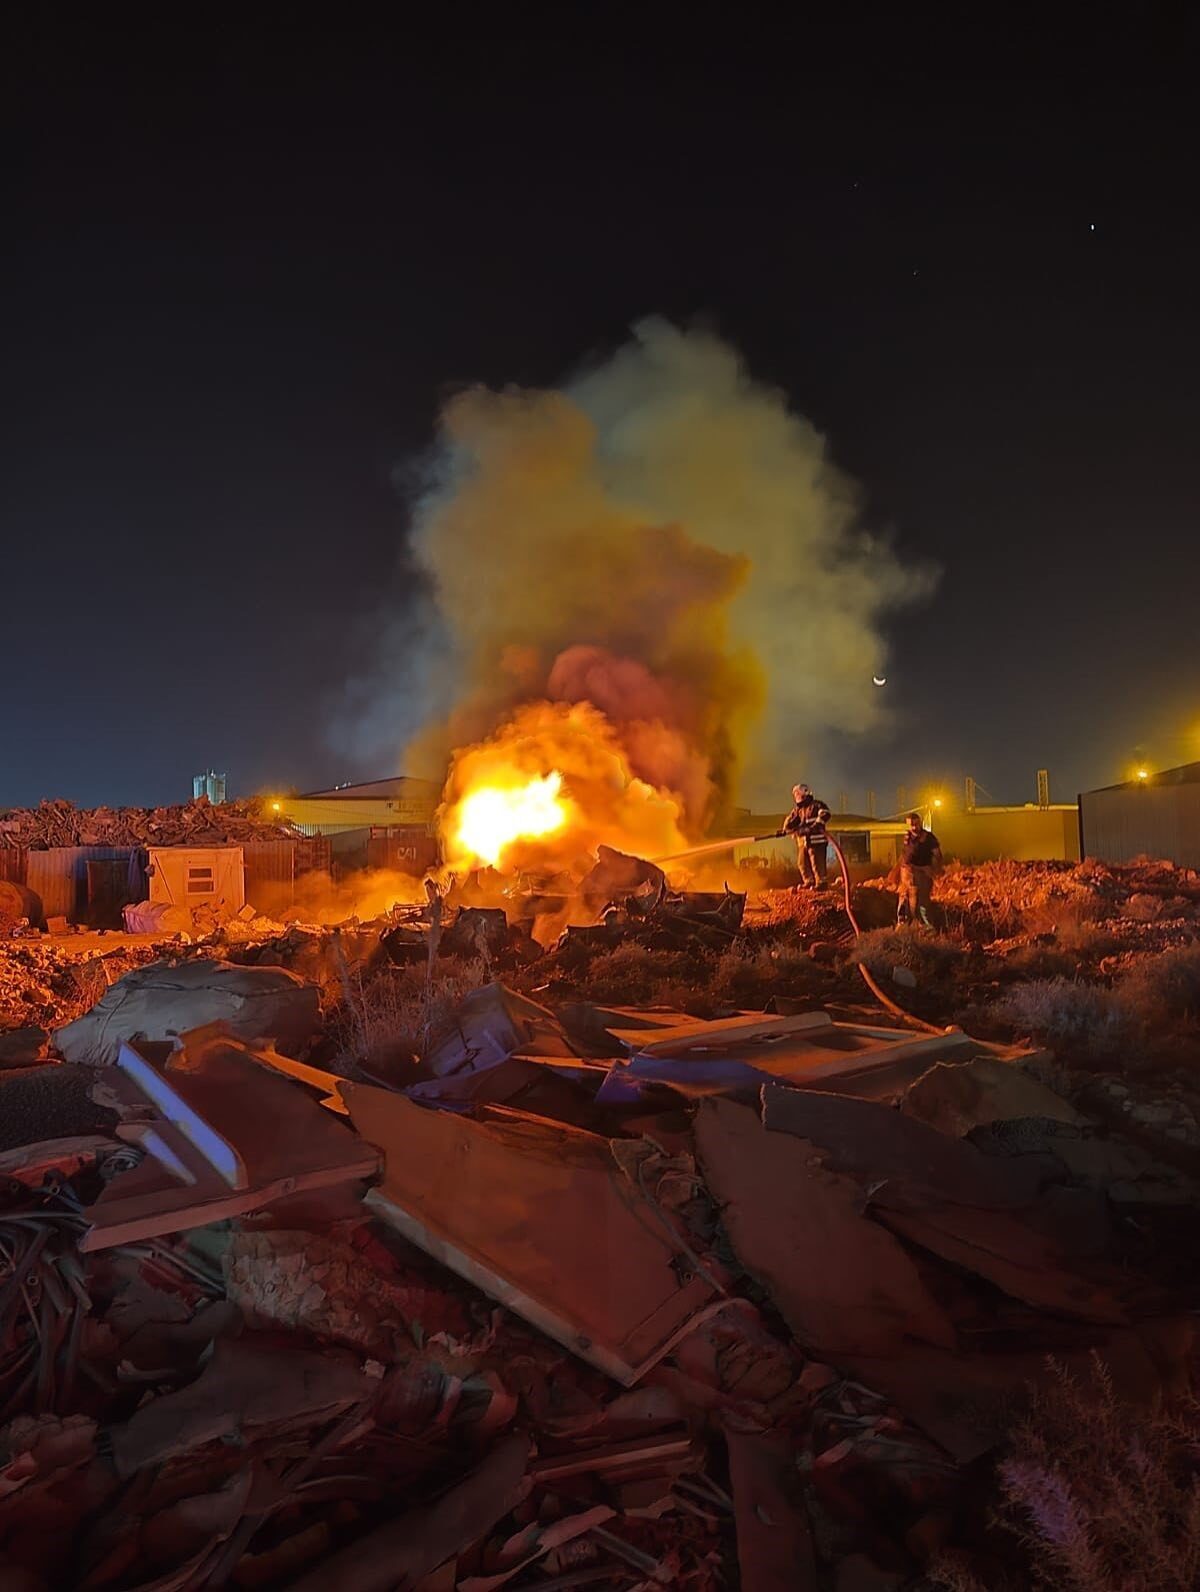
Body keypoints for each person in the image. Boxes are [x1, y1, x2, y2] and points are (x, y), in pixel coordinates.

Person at [781, 783, 832, 889]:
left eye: (797, 794)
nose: (796, 796)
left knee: (817, 863)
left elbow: (825, 814)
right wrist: (786, 828)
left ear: (803, 794)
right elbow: (790, 823)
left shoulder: (816, 805)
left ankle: (821, 883)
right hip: (804, 842)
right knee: (802, 863)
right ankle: (809, 881)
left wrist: (813, 827)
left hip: (817, 842)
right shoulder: (799, 810)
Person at [897, 811, 942, 927]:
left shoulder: (928, 837)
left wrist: (934, 870)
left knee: (922, 903)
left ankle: (927, 927)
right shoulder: (907, 837)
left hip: (922, 875)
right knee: (904, 901)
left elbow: (937, 854)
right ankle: (904, 926)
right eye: (910, 825)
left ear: (920, 823)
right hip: (907, 874)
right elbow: (904, 854)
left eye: (915, 824)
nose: (913, 827)